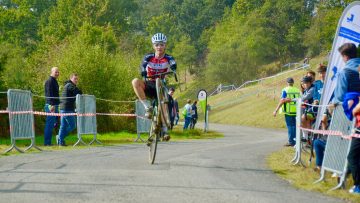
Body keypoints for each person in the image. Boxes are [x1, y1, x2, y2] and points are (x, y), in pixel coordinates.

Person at [131, 33, 176, 141]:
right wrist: (143, 71)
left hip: (161, 85)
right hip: (150, 84)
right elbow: (143, 64)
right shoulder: (149, 57)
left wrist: (174, 68)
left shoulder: (168, 58)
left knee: (163, 105)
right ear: (153, 46)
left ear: (165, 45)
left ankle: (165, 130)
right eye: (156, 45)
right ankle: (147, 107)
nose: (159, 47)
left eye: (161, 44)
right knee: (135, 81)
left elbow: (173, 62)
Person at [331, 43, 360, 194]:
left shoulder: (345, 72)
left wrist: (332, 104)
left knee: (349, 150)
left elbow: (340, 96)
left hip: (350, 114)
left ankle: (344, 173)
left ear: (345, 56)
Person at [273, 77, 300, 146]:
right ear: (293, 83)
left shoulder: (285, 90)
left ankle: (291, 141)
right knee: (296, 126)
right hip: (297, 110)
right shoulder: (297, 90)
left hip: (289, 111)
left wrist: (276, 110)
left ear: (287, 83)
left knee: (290, 126)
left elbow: (282, 100)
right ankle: (296, 140)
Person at [57, 73, 82, 146]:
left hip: (63, 108)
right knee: (72, 125)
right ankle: (60, 138)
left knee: (63, 126)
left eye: (77, 79)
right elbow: (79, 92)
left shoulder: (68, 85)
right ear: (71, 78)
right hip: (67, 109)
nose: (76, 80)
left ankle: (60, 141)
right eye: (75, 79)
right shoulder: (70, 85)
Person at [43, 67, 60, 146]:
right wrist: (52, 105)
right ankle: (47, 143)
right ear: (51, 72)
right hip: (51, 105)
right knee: (49, 125)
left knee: (54, 124)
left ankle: (49, 142)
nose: (57, 73)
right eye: (56, 72)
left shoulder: (54, 81)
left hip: (55, 105)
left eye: (58, 72)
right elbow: (49, 94)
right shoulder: (49, 81)